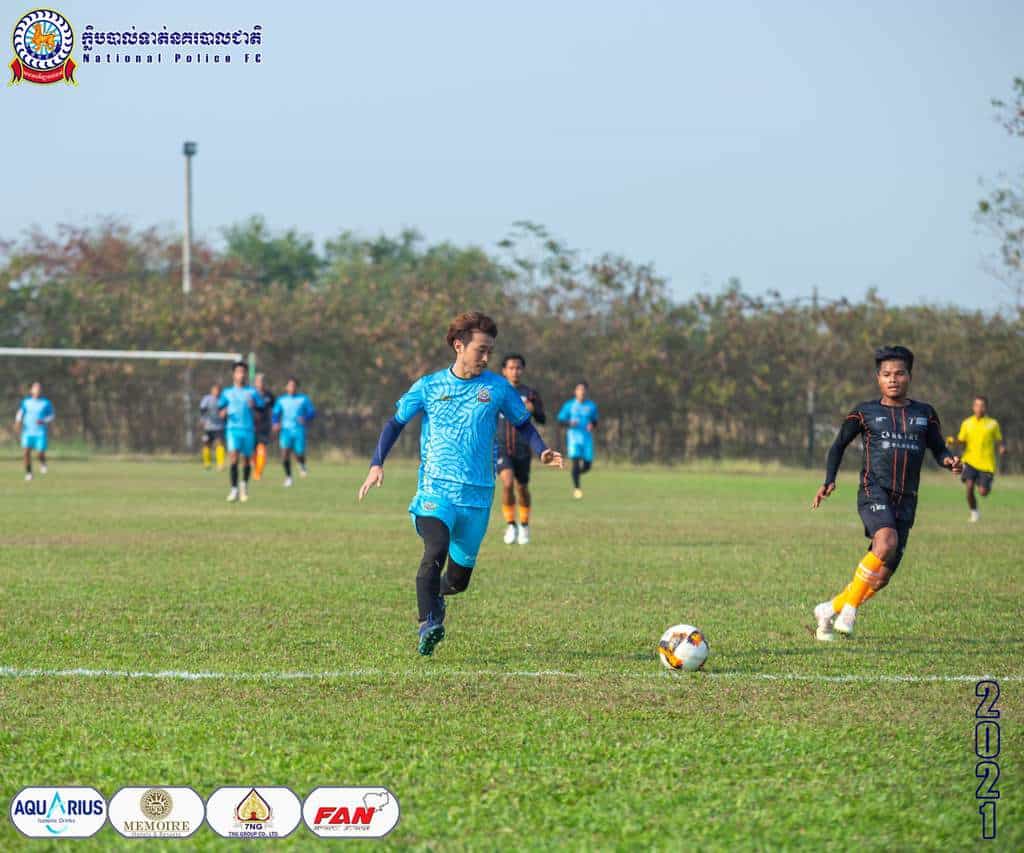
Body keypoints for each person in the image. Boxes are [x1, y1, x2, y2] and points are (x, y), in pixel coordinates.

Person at [358, 311, 563, 656]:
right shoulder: (429, 386)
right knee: (434, 547)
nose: (485, 357)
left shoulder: (497, 388)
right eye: (480, 350)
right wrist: (376, 463)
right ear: (459, 345)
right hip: (435, 491)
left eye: (489, 352)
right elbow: (395, 424)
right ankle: (429, 623)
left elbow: (524, 424)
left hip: (477, 498)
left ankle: (435, 595)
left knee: (458, 581)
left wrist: (541, 450)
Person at [811, 346, 962, 641]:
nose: (893, 379)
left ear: (909, 376)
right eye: (886, 374)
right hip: (874, 489)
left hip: (907, 498)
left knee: (881, 577)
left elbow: (938, 448)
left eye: (899, 373)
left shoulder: (925, 414)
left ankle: (830, 608)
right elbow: (838, 445)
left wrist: (949, 461)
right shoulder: (864, 412)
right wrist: (829, 479)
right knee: (885, 541)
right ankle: (850, 608)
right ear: (878, 378)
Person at [495, 353, 546, 545]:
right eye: (511, 368)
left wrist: (534, 410)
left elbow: (543, 419)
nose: (515, 371)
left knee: (522, 488)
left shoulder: (530, 394)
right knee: (507, 483)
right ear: (504, 370)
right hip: (501, 448)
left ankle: (524, 525)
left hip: (523, 449)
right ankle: (511, 524)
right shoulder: (497, 393)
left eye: (518, 368)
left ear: (522, 370)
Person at [217, 361, 265, 503]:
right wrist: (223, 412)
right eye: (238, 372)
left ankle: (243, 485)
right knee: (233, 457)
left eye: (243, 372)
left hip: (248, 429)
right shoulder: (227, 393)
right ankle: (234, 489)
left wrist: (254, 407)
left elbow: (261, 413)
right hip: (233, 429)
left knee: (246, 460)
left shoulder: (252, 393)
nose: (241, 375)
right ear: (234, 374)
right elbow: (220, 410)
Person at [953, 395, 1006, 523]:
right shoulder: (967, 423)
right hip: (970, 461)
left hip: (987, 464)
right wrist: (953, 441)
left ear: (986, 407)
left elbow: (999, 440)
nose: (979, 408)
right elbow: (961, 441)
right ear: (973, 407)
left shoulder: (993, 424)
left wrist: (1002, 448)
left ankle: (983, 483)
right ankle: (974, 512)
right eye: (977, 405)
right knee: (969, 487)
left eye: (982, 405)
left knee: (983, 492)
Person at [557, 382, 599, 499]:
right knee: (575, 462)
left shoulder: (591, 406)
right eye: (579, 389)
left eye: (584, 390)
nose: (582, 392)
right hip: (573, 438)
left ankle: (575, 475)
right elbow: (560, 421)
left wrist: (592, 425)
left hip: (586, 438)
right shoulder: (569, 405)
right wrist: (569, 423)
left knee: (587, 466)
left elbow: (595, 421)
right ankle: (577, 489)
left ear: (587, 392)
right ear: (575, 391)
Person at [272, 378, 316, 487]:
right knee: (284, 454)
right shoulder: (281, 400)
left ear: (297, 387)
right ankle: (288, 477)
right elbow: (275, 413)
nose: (292, 387)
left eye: (294, 385)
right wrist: (275, 423)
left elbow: (312, 412)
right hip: (285, 430)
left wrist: (305, 418)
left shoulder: (303, 399)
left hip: (298, 430)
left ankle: (301, 464)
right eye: (290, 385)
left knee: (299, 453)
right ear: (286, 387)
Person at [15, 381, 54, 482]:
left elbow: (51, 416)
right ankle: (29, 473)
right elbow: (20, 413)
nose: (37, 390)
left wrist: (43, 420)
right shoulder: (26, 402)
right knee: (26, 452)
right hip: (27, 432)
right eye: (35, 388)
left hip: (40, 432)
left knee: (39, 453)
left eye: (39, 388)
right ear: (31, 390)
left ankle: (43, 462)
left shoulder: (46, 403)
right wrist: (18, 422)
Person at [252, 373, 276, 481]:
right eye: (258, 381)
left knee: (262, 448)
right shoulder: (250, 394)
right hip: (251, 425)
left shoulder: (269, 395)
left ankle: (258, 472)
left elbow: (275, 410)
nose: (260, 383)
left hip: (264, 426)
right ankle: (254, 467)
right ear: (255, 383)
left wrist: (275, 422)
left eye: (262, 381)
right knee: (252, 451)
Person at [198, 383, 226, 471]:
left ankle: (220, 464)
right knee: (206, 444)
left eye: (218, 390)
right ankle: (207, 464)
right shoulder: (207, 399)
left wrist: (225, 413)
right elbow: (202, 410)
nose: (216, 392)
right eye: (215, 390)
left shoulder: (222, 399)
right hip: (208, 426)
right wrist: (202, 420)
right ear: (212, 391)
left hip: (219, 426)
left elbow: (226, 409)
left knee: (220, 444)